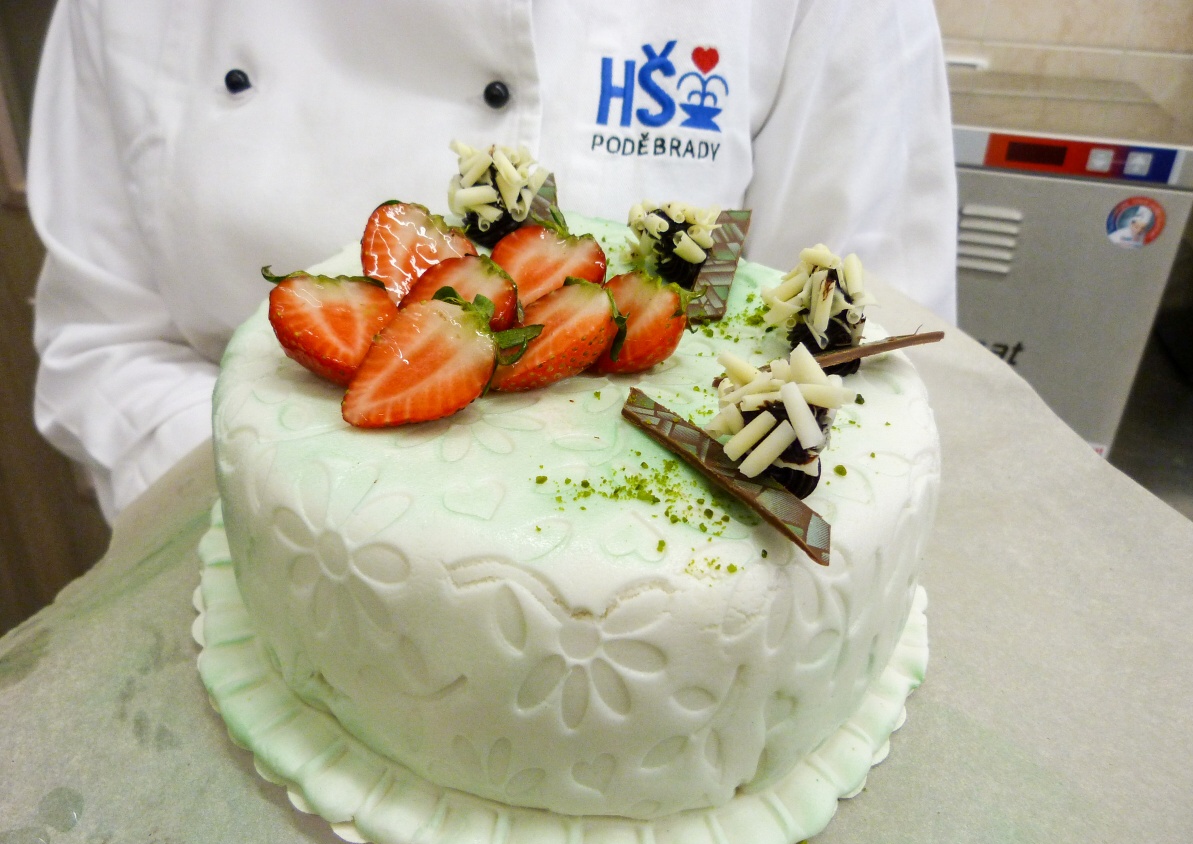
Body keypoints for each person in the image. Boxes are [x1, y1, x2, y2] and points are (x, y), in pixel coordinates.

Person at [27, 0, 958, 522]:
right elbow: (107, 346)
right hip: (245, 558)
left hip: (698, 598)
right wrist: (290, 522)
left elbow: (864, 364)